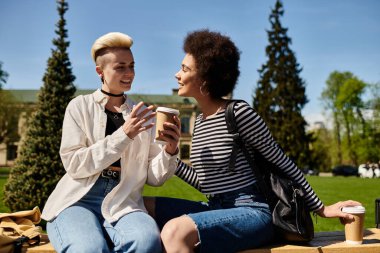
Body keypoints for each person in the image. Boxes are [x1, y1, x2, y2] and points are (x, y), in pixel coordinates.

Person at [144, 29, 362, 253]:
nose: (176, 75)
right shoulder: (199, 121)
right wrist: (169, 152)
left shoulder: (238, 112)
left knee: (175, 231)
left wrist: (320, 208)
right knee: (142, 206)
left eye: (184, 69)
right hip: (216, 206)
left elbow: (282, 162)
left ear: (206, 77)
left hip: (254, 210)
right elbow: (207, 184)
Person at [42, 32, 180, 253]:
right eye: (120, 67)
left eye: (132, 66)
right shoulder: (79, 107)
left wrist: (170, 152)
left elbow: (154, 178)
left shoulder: (144, 115)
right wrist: (123, 135)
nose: (129, 73)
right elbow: (75, 165)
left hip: (124, 201)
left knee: (146, 242)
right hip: (78, 199)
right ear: (101, 71)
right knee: (89, 248)